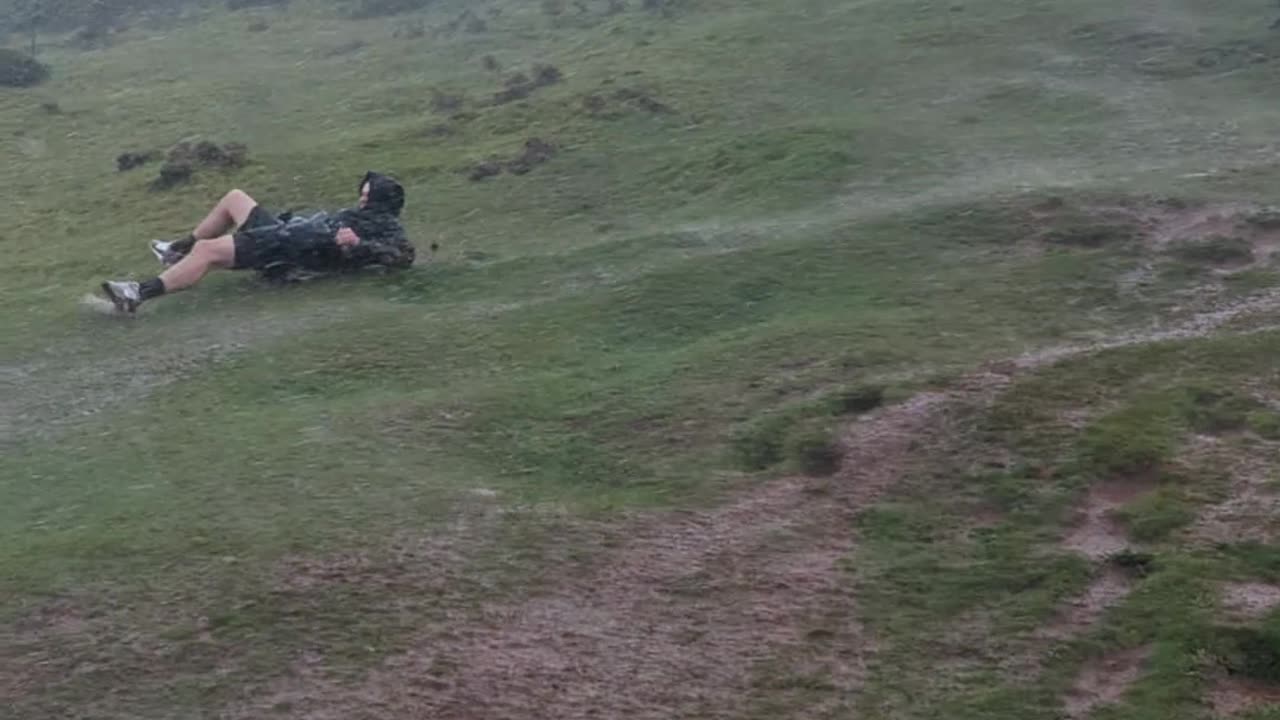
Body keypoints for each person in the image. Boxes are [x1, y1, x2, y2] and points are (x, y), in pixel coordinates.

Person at [100, 171, 415, 313]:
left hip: (287, 252)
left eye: (366, 197)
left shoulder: (387, 230)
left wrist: (358, 244)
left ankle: (137, 293)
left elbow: (403, 257)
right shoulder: (370, 219)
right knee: (234, 198)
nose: (360, 201)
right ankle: (175, 251)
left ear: (380, 202)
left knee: (208, 251)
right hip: (285, 233)